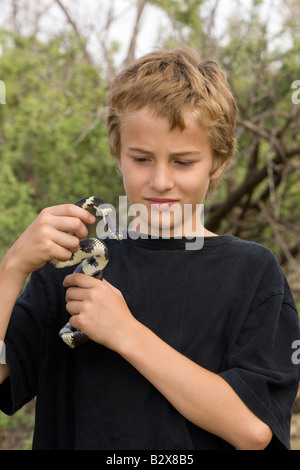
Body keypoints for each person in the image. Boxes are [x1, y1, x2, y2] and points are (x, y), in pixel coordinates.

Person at [0, 48, 299, 450]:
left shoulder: (253, 272)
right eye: (141, 158)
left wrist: (124, 332)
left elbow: (252, 430)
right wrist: (12, 269)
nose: (160, 181)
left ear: (218, 161)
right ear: (117, 153)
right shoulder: (72, 263)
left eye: (183, 162)